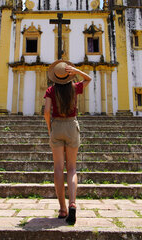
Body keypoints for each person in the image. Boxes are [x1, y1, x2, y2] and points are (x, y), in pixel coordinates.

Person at [44, 59, 91, 225]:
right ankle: (72, 202)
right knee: (72, 168)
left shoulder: (51, 90)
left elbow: (46, 112)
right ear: (68, 75)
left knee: (58, 168)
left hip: (56, 125)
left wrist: (50, 128)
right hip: (72, 125)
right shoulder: (74, 88)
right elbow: (88, 79)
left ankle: (62, 208)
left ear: (55, 76)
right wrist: (77, 71)